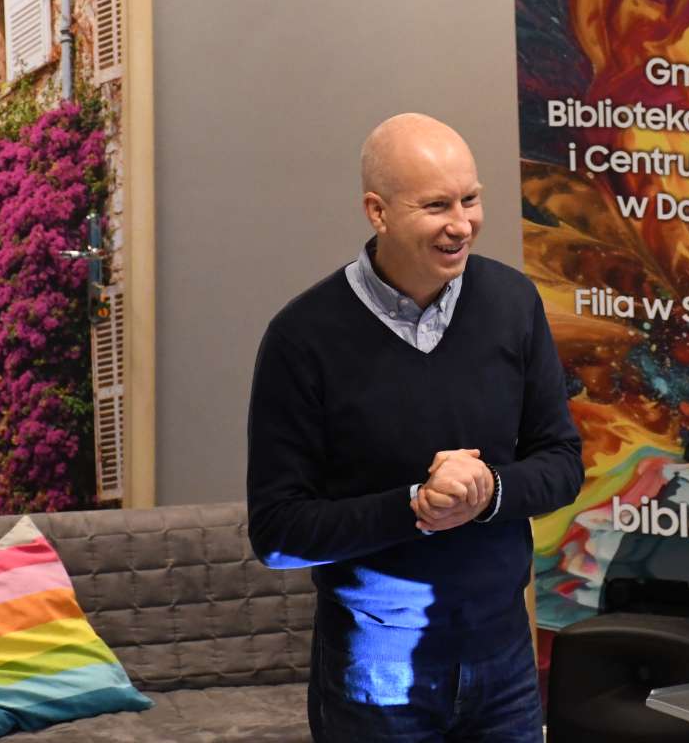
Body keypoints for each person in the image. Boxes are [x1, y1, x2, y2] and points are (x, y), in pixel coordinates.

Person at [246, 113, 583, 742]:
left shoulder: (513, 303)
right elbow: (278, 533)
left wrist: (487, 491)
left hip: (504, 660)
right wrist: (416, 507)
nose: (462, 224)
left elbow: (562, 465)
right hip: (376, 673)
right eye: (436, 206)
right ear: (377, 212)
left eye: (470, 199)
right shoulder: (302, 338)